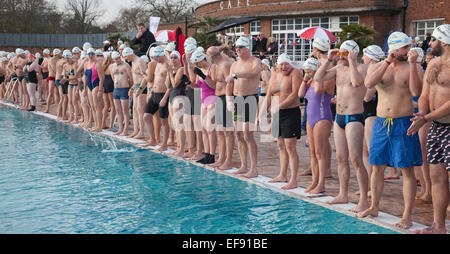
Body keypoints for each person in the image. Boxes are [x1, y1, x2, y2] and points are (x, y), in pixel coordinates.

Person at [358, 31, 423, 229]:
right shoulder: (379, 67)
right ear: (394, 49)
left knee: (406, 170)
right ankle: (374, 206)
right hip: (380, 123)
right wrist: (386, 62)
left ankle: (407, 215)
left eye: (408, 47)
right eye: (405, 47)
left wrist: (412, 64)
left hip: (403, 124)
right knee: (376, 167)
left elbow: (416, 92)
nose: (408, 50)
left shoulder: (415, 67)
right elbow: (368, 84)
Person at [315, 40, 370, 213]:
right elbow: (318, 78)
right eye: (340, 53)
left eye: (344, 53)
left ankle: (363, 200)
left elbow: (356, 83)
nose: (341, 57)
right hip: (339, 118)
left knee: (356, 159)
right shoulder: (338, 68)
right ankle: (343, 194)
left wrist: (352, 61)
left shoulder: (362, 69)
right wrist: (328, 60)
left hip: (354, 117)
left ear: (354, 53)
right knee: (340, 158)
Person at [408, 24, 450, 234]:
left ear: (443, 42)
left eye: (433, 39)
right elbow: (424, 93)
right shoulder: (433, 64)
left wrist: (426, 117)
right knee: (436, 177)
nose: (429, 43)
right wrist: (421, 116)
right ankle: (439, 227)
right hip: (436, 126)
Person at [261, 54, 302, 190]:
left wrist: (279, 106)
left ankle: (293, 179)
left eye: (286, 64)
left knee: (290, 146)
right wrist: (260, 114)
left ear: (290, 64)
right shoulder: (275, 76)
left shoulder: (295, 73)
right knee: (280, 145)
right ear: (277, 66)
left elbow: (295, 93)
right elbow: (269, 95)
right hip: (278, 113)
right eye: (281, 64)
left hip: (290, 112)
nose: (284, 66)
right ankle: (282, 174)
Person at [225, 37, 262, 178]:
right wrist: (229, 100)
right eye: (236, 47)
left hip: (250, 99)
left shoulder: (255, 61)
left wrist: (236, 75)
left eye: (240, 47)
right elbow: (230, 84)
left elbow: (253, 73)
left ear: (247, 48)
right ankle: (243, 165)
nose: (237, 50)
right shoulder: (234, 64)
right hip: (237, 100)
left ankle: (254, 168)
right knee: (238, 134)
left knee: (247, 134)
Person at [298, 56, 334, 194]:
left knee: (320, 153)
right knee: (312, 153)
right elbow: (301, 94)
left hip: (322, 118)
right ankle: (314, 181)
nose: (308, 74)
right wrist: (305, 79)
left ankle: (321, 184)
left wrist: (318, 73)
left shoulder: (327, 79)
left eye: (310, 72)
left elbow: (319, 90)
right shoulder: (310, 80)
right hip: (310, 119)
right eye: (306, 71)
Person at [359, 45, 385, 195]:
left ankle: (374, 187)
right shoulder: (371, 69)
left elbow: (367, 95)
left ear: (370, 56)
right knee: (365, 152)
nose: (362, 58)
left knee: (371, 152)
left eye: (364, 55)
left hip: (372, 114)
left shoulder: (375, 69)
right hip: (367, 113)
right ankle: (369, 186)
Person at [206, 46, 234, 169]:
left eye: (207, 55)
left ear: (212, 56)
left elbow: (230, 83)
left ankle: (228, 160)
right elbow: (214, 83)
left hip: (225, 98)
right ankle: (221, 158)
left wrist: (229, 101)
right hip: (219, 98)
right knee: (220, 131)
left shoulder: (225, 64)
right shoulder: (216, 65)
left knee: (228, 132)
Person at [189, 50, 218, 165]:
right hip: (203, 100)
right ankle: (207, 154)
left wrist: (203, 76)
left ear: (202, 59)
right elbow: (198, 86)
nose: (196, 66)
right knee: (204, 129)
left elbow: (215, 85)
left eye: (197, 63)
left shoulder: (213, 68)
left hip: (213, 99)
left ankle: (212, 155)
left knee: (210, 129)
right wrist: (188, 83)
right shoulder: (199, 70)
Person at [143, 46, 171, 152]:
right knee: (146, 116)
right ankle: (153, 139)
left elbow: (170, 84)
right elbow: (155, 79)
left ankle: (164, 144)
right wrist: (151, 91)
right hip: (154, 94)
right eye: (154, 57)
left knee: (164, 121)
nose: (155, 59)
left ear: (162, 55)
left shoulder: (168, 65)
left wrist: (165, 97)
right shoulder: (157, 63)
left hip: (163, 95)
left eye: (157, 57)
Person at [182, 42, 204, 161]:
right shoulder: (190, 64)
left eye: (189, 54)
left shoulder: (197, 64)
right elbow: (189, 77)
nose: (188, 56)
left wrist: (189, 83)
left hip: (197, 93)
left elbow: (198, 83)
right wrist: (185, 64)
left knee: (197, 124)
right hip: (190, 92)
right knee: (187, 121)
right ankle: (191, 148)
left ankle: (199, 150)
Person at [167, 51, 188, 157]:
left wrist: (171, 73)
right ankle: (179, 147)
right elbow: (168, 85)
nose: (173, 59)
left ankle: (182, 148)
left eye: (175, 57)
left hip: (179, 97)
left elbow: (175, 84)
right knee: (175, 124)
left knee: (180, 125)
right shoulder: (172, 70)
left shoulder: (181, 69)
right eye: (171, 57)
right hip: (172, 97)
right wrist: (169, 72)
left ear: (179, 58)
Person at [123, 47, 147, 140]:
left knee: (140, 110)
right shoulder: (132, 62)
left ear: (130, 54)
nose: (126, 59)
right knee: (135, 109)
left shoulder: (140, 61)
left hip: (142, 87)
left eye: (126, 57)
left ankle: (141, 132)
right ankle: (136, 131)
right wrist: (132, 88)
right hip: (136, 86)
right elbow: (136, 77)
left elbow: (145, 76)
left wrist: (140, 88)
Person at [110, 51, 133, 136]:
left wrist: (129, 87)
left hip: (124, 90)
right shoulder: (112, 67)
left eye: (119, 58)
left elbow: (131, 78)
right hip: (116, 90)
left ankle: (126, 130)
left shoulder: (126, 65)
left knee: (125, 110)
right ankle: (120, 129)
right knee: (118, 110)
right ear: (113, 60)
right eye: (116, 59)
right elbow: (113, 78)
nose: (118, 60)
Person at [84, 48, 105, 132]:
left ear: (94, 54)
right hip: (89, 86)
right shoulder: (86, 64)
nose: (90, 56)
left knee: (97, 107)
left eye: (92, 54)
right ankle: (96, 125)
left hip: (96, 86)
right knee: (92, 107)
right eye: (89, 54)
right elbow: (85, 78)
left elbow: (102, 78)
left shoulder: (97, 64)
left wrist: (100, 90)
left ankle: (99, 127)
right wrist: (85, 89)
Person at [62, 50, 79, 124]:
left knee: (74, 102)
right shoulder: (65, 66)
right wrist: (64, 79)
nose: (66, 60)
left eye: (67, 58)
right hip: (70, 84)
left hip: (75, 84)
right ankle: (71, 117)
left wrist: (67, 79)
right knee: (70, 101)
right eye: (65, 58)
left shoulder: (74, 65)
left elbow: (76, 76)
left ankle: (76, 119)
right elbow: (65, 75)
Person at [102, 54, 116, 129]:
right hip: (111, 84)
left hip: (105, 84)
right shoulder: (112, 65)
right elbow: (114, 77)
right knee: (113, 106)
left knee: (106, 105)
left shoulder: (104, 66)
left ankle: (103, 123)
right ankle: (111, 125)